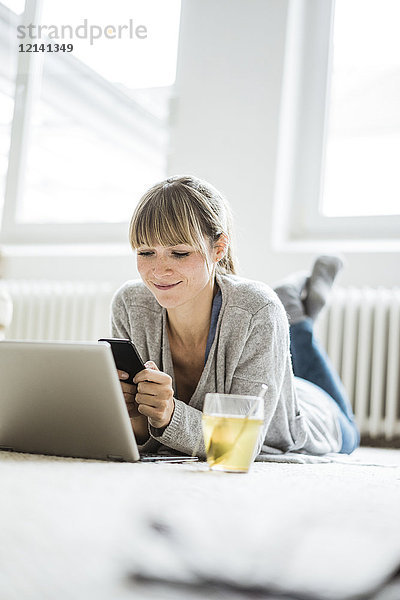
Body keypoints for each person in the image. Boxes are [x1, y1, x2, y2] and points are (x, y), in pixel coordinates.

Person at [111, 175, 360, 459]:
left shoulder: (258, 309)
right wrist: (133, 414)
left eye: (179, 253)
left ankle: (300, 324)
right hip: (260, 381)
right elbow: (145, 435)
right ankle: (295, 319)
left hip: (311, 412)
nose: (158, 271)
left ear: (218, 248)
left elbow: (237, 445)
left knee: (350, 431)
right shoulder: (129, 304)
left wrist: (170, 414)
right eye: (146, 252)